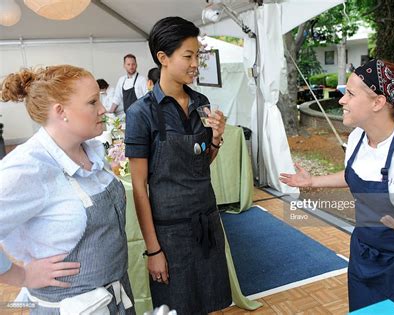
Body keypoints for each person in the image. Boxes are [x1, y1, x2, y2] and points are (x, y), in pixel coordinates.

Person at [280, 59, 394, 314]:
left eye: (351, 94)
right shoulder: (358, 136)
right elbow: (355, 174)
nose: (342, 100)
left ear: (378, 102)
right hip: (364, 256)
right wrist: (312, 181)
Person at [0, 65, 135, 314]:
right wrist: (20, 275)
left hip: (115, 297)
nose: (103, 109)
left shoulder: (90, 149)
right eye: (93, 102)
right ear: (61, 111)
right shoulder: (27, 167)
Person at [125, 17, 231, 314]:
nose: (196, 63)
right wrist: (153, 249)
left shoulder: (201, 101)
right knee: (176, 307)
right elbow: (139, 188)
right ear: (163, 58)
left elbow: (202, 163)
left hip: (207, 223)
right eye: (188, 56)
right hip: (169, 235)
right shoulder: (141, 113)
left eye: (198, 55)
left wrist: (217, 139)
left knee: (210, 302)